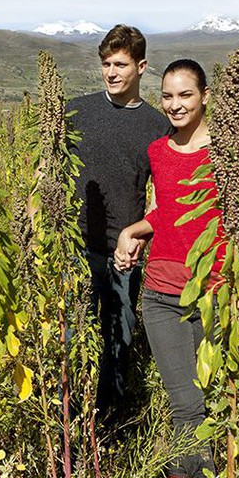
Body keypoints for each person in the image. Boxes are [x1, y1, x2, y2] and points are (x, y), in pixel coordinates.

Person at [115, 59, 239, 478]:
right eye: (167, 96)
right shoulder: (158, 152)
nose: (175, 104)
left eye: (185, 94)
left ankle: (199, 477)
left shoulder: (228, 154)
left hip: (211, 294)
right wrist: (134, 230)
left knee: (206, 401)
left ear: (205, 96)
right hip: (159, 296)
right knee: (185, 403)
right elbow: (169, 213)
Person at [66, 24, 170, 427]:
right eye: (106, 63)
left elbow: (162, 195)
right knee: (73, 335)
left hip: (122, 253)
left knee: (118, 340)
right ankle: (71, 423)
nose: (111, 72)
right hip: (73, 245)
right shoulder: (77, 110)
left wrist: (142, 234)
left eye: (121, 64)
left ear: (141, 67)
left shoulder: (156, 126)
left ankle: (109, 428)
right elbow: (47, 170)